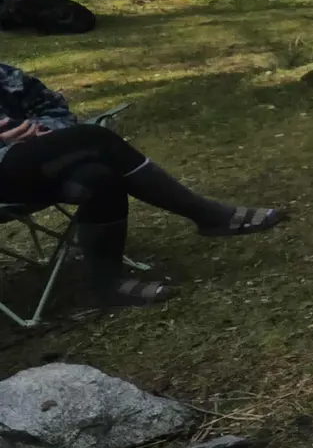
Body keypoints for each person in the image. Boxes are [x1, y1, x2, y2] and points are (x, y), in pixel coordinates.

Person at [0, 63, 283, 307]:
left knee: (98, 177)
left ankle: (108, 285)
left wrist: (43, 132)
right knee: (94, 138)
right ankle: (207, 215)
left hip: (33, 167)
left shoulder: (5, 74)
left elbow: (52, 107)